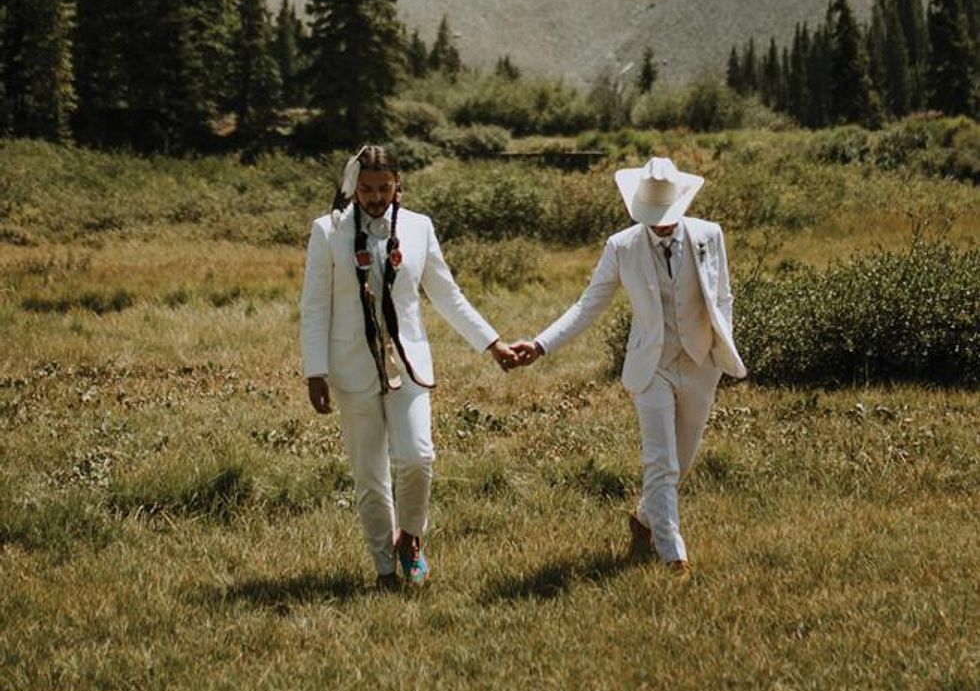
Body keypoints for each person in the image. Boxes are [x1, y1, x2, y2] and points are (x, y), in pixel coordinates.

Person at [512, 156, 746, 577]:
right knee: (662, 461)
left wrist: (721, 348)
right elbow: (587, 305)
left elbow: (723, 295)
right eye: (654, 218)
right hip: (649, 364)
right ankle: (674, 553)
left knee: (684, 460)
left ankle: (642, 520)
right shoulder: (621, 247)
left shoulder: (710, 235)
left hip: (700, 363)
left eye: (668, 217)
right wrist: (542, 344)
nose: (662, 225)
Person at [301, 143, 518, 590]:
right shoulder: (328, 231)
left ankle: (411, 539)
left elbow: (446, 294)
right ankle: (384, 567)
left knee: (418, 457)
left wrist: (492, 343)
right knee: (370, 473)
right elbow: (314, 306)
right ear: (352, 188)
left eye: (384, 188)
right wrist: (315, 370)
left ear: (399, 186)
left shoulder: (419, 228)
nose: (376, 197)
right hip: (352, 366)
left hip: (409, 364)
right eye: (366, 189)